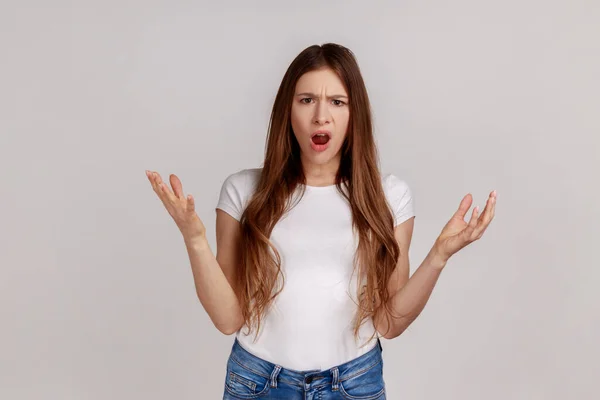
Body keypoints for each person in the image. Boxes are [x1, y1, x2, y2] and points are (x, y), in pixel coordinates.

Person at [145, 43, 496, 400]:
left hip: (354, 382)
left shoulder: (390, 197)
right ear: (288, 111)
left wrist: (438, 255)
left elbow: (390, 323)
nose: (321, 116)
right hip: (258, 383)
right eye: (307, 100)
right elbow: (227, 319)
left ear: (354, 113)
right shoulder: (243, 191)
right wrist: (194, 239)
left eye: (337, 102)